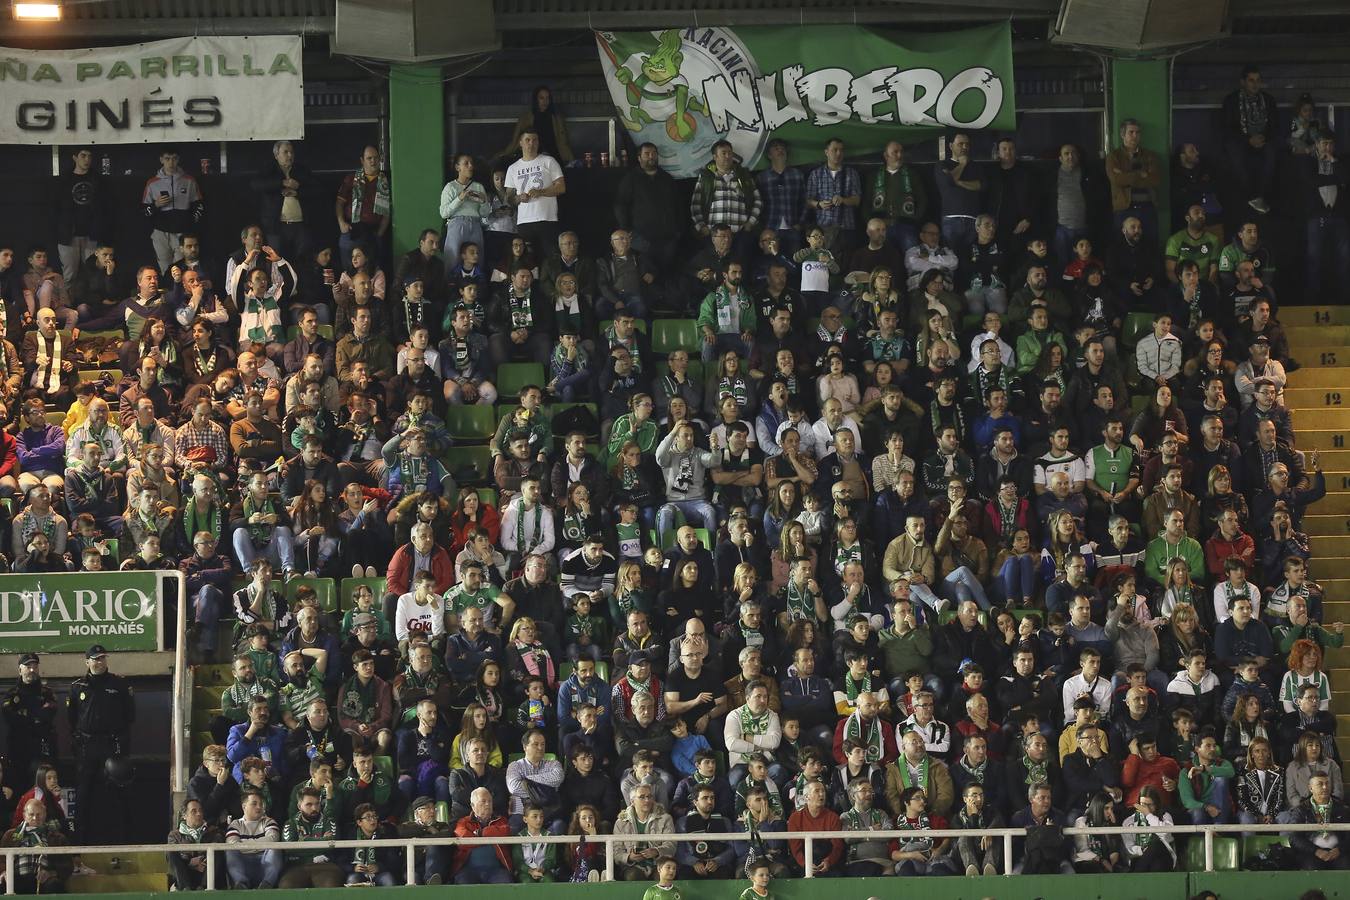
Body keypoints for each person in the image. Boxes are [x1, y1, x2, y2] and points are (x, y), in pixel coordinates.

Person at [66, 645, 134, 843]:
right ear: (87, 662)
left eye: (102, 658)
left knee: (118, 795)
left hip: (112, 746)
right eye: (95, 659)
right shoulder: (78, 686)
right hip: (86, 747)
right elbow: (71, 719)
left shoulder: (119, 684)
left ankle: (124, 841)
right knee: (84, 795)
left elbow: (130, 716)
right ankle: (80, 844)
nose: (99, 662)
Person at [142, 148, 206, 273]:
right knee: (165, 269)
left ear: (178, 160)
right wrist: (156, 205)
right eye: (167, 159)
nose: (171, 163)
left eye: (174, 159)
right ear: (161, 160)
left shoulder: (189, 181)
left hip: (182, 233)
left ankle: (182, 291)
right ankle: (169, 292)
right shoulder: (152, 183)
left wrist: (190, 222)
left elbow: (199, 205)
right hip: (161, 233)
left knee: (181, 266)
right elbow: (144, 210)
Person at [334, 145, 390, 267]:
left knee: (375, 268)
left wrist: (380, 232)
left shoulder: (386, 181)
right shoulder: (352, 179)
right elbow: (339, 203)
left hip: (374, 231)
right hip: (352, 229)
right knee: (349, 267)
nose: (373, 161)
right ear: (362, 160)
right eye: (369, 158)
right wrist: (341, 223)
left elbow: (387, 211)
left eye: (376, 157)